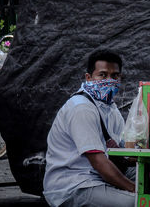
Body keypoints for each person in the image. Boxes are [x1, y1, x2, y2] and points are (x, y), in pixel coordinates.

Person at [43, 49, 135, 207]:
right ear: (89, 77)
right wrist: (134, 190)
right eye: (102, 75)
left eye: (115, 76)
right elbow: (99, 162)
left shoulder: (110, 108)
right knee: (139, 203)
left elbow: (123, 151)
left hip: (97, 178)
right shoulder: (82, 108)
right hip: (75, 185)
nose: (109, 81)